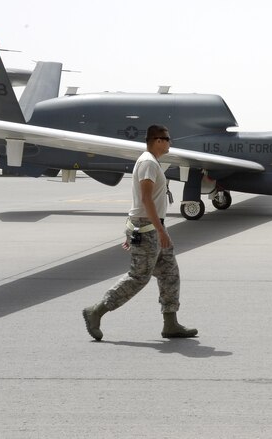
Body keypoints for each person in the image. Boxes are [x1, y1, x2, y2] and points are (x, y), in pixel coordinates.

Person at [83, 124, 198, 340]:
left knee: (169, 273)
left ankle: (170, 324)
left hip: (147, 227)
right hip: (148, 228)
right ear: (157, 140)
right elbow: (145, 199)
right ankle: (95, 311)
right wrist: (160, 230)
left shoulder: (152, 162)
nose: (170, 142)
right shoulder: (148, 163)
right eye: (167, 138)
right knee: (138, 277)